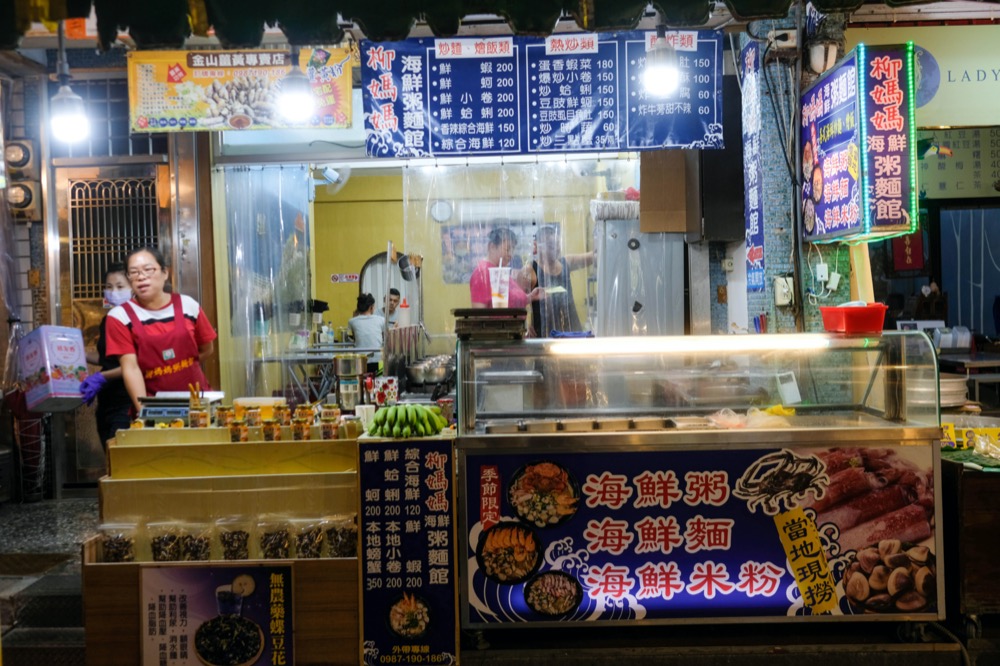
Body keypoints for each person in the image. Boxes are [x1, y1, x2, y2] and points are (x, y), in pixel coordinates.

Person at [105, 247, 218, 413]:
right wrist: (144, 413)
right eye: (134, 272)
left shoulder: (188, 305)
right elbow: (131, 369)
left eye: (148, 270)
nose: (141, 277)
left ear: (165, 273)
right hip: (154, 407)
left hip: (199, 405)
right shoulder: (119, 316)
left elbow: (207, 349)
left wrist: (176, 368)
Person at [78, 264, 134, 447]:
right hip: (107, 400)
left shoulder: (136, 319)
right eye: (109, 287)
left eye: (120, 286)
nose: (113, 292)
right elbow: (106, 358)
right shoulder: (109, 319)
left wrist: (101, 377)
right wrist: (76, 353)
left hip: (127, 400)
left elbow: (136, 363)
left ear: (133, 288)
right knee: (109, 455)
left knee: (121, 457)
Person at [530, 225, 595, 335]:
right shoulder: (531, 270)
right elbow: (518, 301)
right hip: (544, 333)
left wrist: (599, 235)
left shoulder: (566, 262)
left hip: (572, 331)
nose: (556, 249)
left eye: (557, 244)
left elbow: (593, 256)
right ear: (538, 246)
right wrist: (526, 326)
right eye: (551, 245)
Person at [469, 226, 543, 311]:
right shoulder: (482, 273)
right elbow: (479, 314)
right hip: (499, 324)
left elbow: (508, 300)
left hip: (514, 323)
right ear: (492, 247)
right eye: (507, 249)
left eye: (512, 250)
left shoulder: (501, 271)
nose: (510, 254)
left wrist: (530, 297)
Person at [348, 293, 385, 373]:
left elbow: (355, 338)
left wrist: (355, 317)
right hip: (378, 360)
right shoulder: (381, 320)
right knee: (378, 383)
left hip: (360, 361)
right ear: (371, 307)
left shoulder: (352, 321)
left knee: (361, 383)